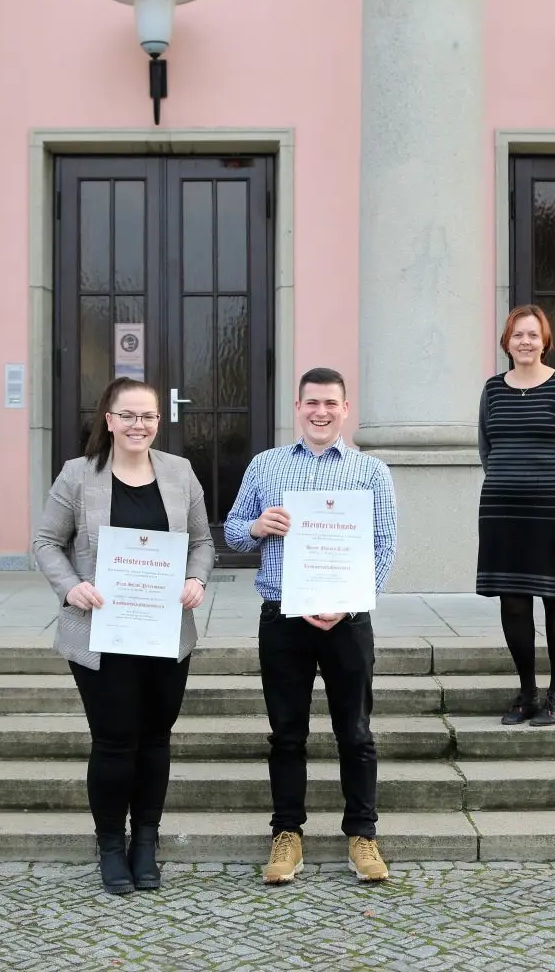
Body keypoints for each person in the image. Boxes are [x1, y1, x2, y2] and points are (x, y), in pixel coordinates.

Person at [32, 377, 215, 894]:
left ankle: (145, 843)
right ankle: (111, 845)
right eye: (129, 415)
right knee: (114, 742)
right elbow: (46, 542)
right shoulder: (77, 476)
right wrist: (71, 588)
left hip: (164, 632)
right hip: (101, 631)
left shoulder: (179, 473)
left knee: (156, 740)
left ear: (160, 421)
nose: (140, 425)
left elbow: (202, 541)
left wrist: (196, 579)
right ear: (108, 420)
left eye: (149, 416)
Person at [224, 367, 397, 885]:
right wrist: (256, 527)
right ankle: (287, 835)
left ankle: (362, 835)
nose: (321, 412)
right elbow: (232, 533)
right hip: (283, 616)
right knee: (286, 734)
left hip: (348, 620)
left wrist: (348, 602)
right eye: (311, 403)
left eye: (331, 404)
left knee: (357, 732)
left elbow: (383, 546)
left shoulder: (370, 471)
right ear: (297, 408)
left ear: (345, 410)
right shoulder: (266, 466)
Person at [476, 305, 555, 727]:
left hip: (552, 513)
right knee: (514, 603)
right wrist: (511, 481)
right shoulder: (492, 389)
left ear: (545, 340)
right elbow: (487, 448)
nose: (525, 342)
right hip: (502, 512)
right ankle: (527, 692)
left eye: (533, 334)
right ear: (506, 342)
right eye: (517, 335)